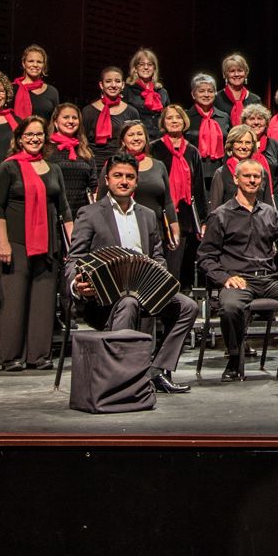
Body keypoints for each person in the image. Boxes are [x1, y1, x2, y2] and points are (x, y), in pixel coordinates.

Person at [66, 151, 198, 394]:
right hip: (104, 299)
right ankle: (121, 381)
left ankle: (157, 371)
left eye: (129, 177)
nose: (124, 181)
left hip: (145, 291)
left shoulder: (147, 215)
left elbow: (158, 256)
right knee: (128, 302)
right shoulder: (90, 213)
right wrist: (77, 284)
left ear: (136, 181)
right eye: (118, 176)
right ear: (107, 180)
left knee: (187, 306)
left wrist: (158, 273)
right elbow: (75, 258)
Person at [197, 159, 278, 382]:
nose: (252, 180)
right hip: (239, 280)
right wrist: (225, 278)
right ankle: (234, 359)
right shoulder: (220, 215)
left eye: (256, 176)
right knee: (230, 306)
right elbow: (205, 257)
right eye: (247, 176)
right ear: (236, 179)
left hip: (269, 280)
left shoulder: (270, 213)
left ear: (262, 181)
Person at [0, 116, 70, 371]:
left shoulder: (53, 169)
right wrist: (2, 243)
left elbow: (64, 209)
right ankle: (11, 356)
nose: (34, 139)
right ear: (19, 138)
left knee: (44, 301)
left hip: (48, 243)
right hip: (16, 242)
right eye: (29, 135)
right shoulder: (8, 168)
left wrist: (72, 245)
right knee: (14, 301)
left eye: (39, 134)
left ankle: (39, 355)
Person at [98, 119, 181, 252]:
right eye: (131, 135)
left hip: (154, 231)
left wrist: (175, 230)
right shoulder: (112, 166)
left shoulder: (159, 166)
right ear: (123, 141)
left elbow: (168, 202)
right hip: (121, 231)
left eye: (139, 134)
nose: (136, 138)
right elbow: (101, 201)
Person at [154, 104, 207, 283]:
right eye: (169, 118)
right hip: (160, 212)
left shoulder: (192, 151)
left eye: (178, 117)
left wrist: (203, 220)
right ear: (163, 122)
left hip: (184, 214)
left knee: (178, 265)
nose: (174, 121)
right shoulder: (154, 148)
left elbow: (198, 188)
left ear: (184, 121)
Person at [45, 103, 96, 220]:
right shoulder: (46, 149)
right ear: (55, 122)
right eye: (66, 117)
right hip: (54, 212)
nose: (71, 121)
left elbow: (93, 184)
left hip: (81, 214)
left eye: (74, 118)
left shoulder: (84, 149)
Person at [83, 66, 134, 148]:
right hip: (93, 155)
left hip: (122, 155)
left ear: (123, 85)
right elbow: (82, 140)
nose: (113, 85)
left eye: (117, 81)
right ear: (101, 85)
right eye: (108, 81)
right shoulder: (88, 111)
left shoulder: (131, 112)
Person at [185, 73, 230, 163]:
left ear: (215, 93)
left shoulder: (224, 117)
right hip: (193, 168)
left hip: (219, 168)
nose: (206, 95)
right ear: (193, 94)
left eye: (210, 91)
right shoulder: (185, 117)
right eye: (201, 91)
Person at [12, 44, 60, 123]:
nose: (35, 65)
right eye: (31, 61)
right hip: (18, 131)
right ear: (24, 64)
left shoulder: (52, 91)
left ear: (43, 65)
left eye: (39, 62)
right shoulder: (12, 89)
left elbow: (55, 121)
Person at [126, 48, 169, 130]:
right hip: (137, 135)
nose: (146, 67)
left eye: (150, 64)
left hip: (159, 136)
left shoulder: (162, 92)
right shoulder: (127, 90)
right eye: (141, 64)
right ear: (135, 68)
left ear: (154, 68)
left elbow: (167, 117)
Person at [215, 52, 259, 125]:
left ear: (246, 73)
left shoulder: (255, 100)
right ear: (225, 74)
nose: (236, 74)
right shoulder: (216, 99)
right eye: (232, 71)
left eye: (240, 70)